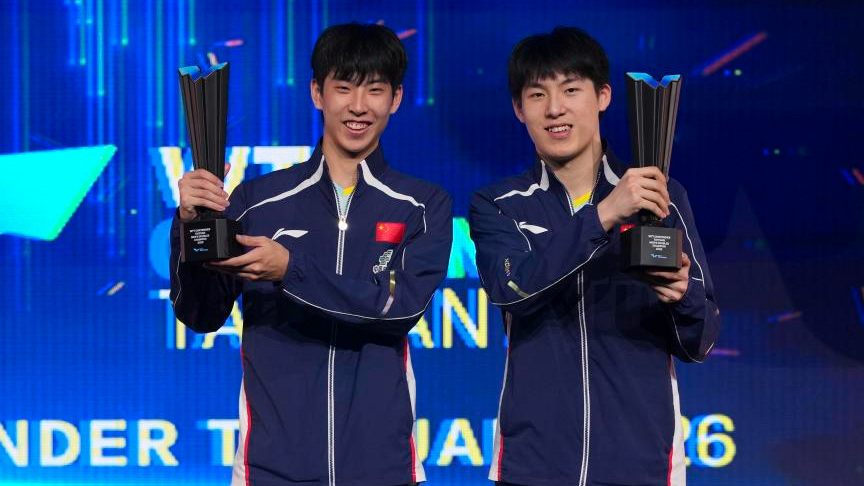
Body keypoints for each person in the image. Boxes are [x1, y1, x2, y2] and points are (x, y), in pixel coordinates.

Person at [170, 23, 452, 486]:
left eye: (375, 90)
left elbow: (400, 308)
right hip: (271, 468)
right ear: (317, 93)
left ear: (396, 99)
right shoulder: (258, 201)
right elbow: (201, 312)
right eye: (343, 88)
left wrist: (290, 270)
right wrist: (189, 224)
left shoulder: (422, 205)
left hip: (382, 469)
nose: (358, 106)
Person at [469, 27, 721, 486]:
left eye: (571, 90)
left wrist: (681, 297)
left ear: (603, 96)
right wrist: (604, 214)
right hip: (534, 467)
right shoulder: (499, 204)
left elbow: (699, 342)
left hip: (642, 465)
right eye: (537, 94)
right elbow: (511, 289)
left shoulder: (661, 195)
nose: (555, 109)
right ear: (519, 109)